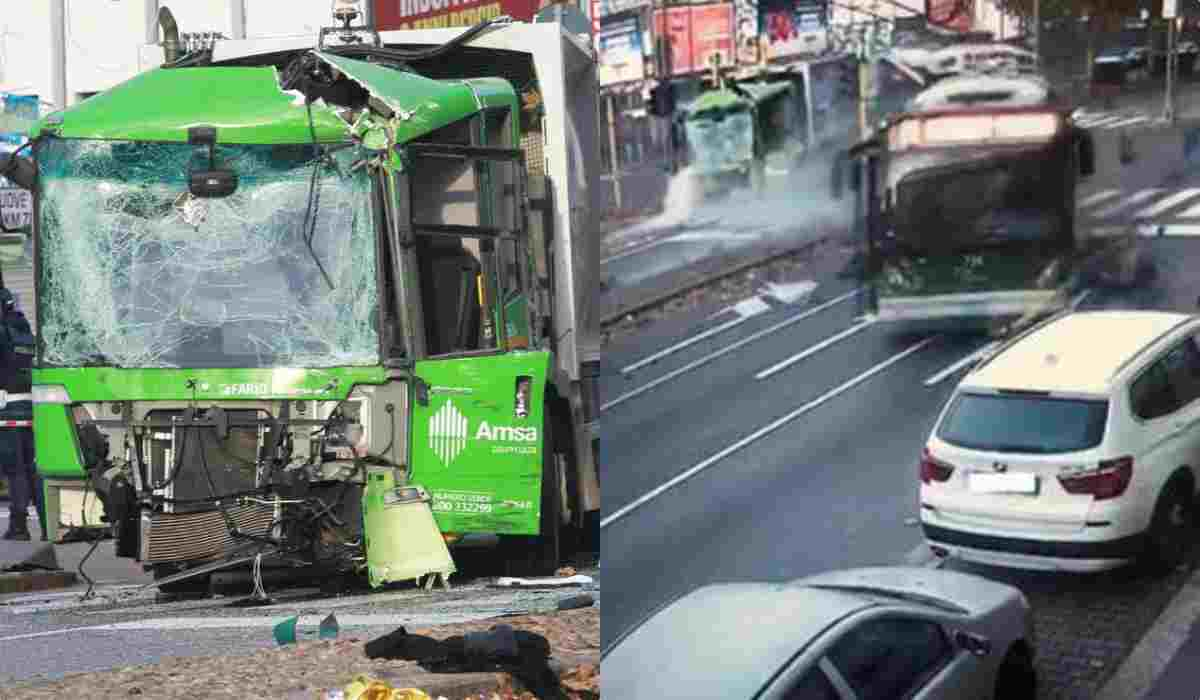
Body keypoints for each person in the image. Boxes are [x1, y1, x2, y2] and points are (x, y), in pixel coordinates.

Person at [0, 287, 43, 541]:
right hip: (29, 404)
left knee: (15, 469)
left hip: (6, 409)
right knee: (31, 468)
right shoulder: (23, 328)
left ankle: (18, 527)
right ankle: (48, 526)